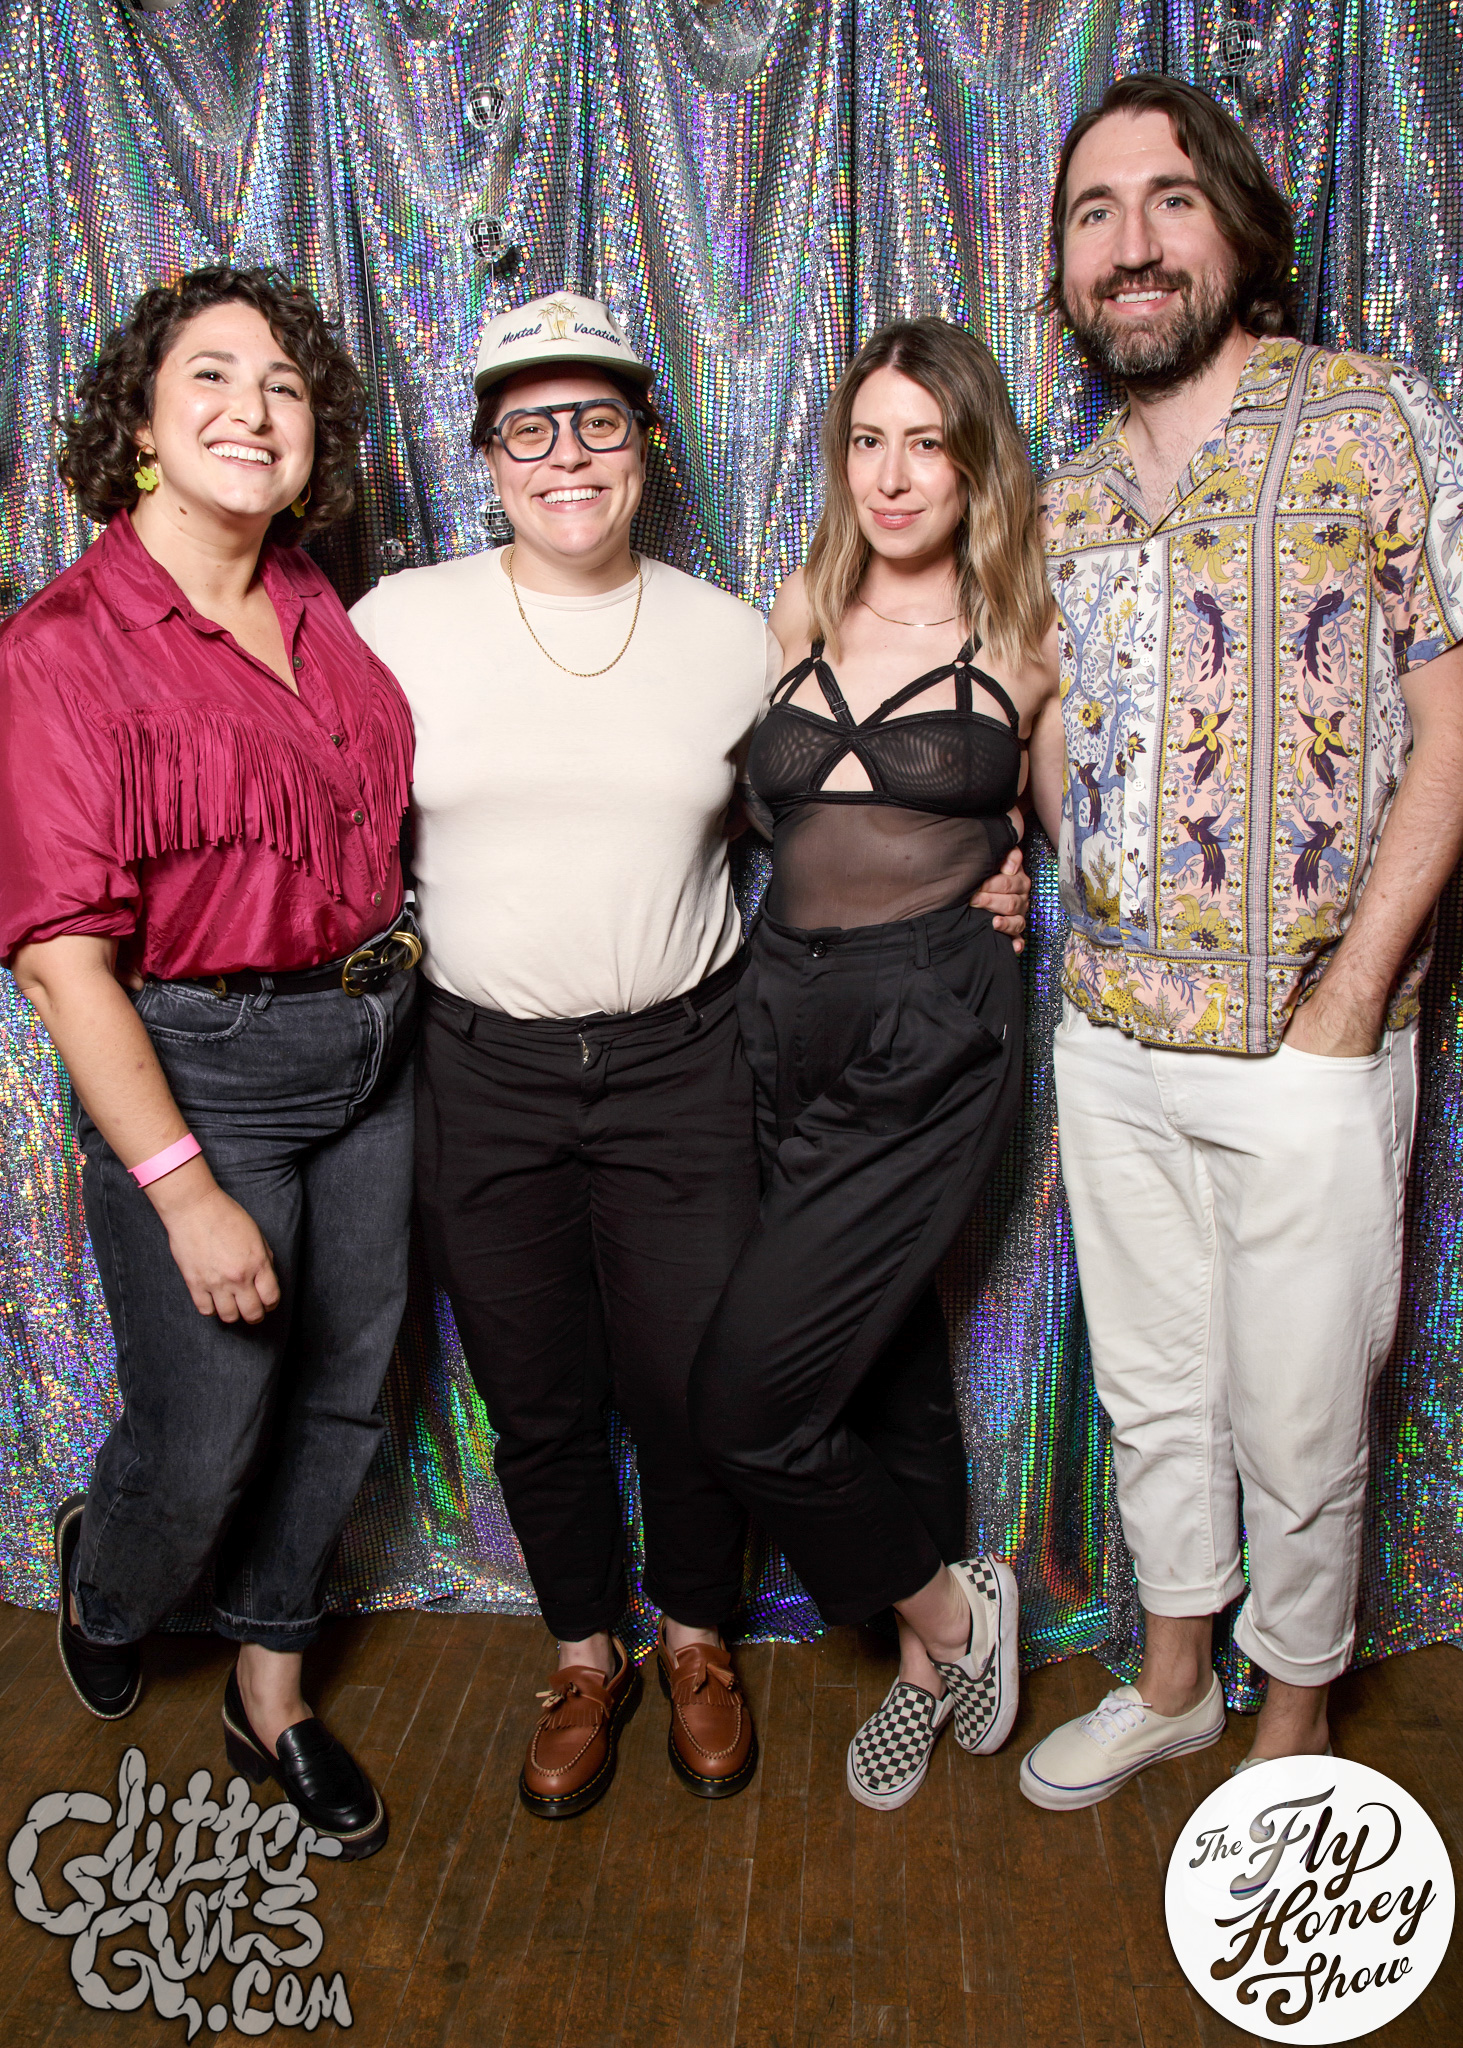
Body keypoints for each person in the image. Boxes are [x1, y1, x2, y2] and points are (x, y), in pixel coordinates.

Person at [1018, 74, 1463, 1810]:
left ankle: (1294, 1726)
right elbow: (1057, 726)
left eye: (1169, 200)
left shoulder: (1367, 416)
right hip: (1110, 1037)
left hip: (1307, 1044)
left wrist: (1350, 1000)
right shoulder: (1067, 498)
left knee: (1300, 1414)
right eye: (1094, 213)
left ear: (1239, 231)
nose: (1130, 244)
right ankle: (1174, 1681)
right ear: (1066, 268)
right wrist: (1051, 869)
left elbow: (1455, 720)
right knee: (1155, 1391)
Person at [0, 267, 419, 1857]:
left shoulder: (312, 597)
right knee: (206, 1432)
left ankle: (272, 1685)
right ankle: (109, 1581)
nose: (254, 410)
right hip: (204, 1071)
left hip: (378, 1041)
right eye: (212, 378)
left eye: (285, 387)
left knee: (345, 1397)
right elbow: (62, 960)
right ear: (141, 424)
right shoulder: (64, 646)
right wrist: (184, 1193)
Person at [690, 318, 1062, 1811]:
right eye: (868, 442)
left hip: (932, 1022)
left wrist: (1020, 879)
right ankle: (925, 1654)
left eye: (928, 444)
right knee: (883, 1339)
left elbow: (1077, 840)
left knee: (749, 1406)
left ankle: (955, 1619)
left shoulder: (1025, 633)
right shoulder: (801, 606)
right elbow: (760, 812)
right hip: (781, 1009)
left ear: (975, 465)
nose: (893, 477)